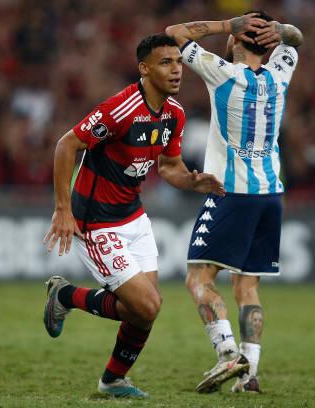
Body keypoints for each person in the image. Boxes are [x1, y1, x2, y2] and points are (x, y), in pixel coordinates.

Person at [42, 33, 225, 399]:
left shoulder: (174, 113)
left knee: (142, 311)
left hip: (133, 217)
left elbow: (169, 166)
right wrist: (63, 210)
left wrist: (191, 181)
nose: (176, 70)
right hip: (95, 221)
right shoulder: (120, 108)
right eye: (165, 63)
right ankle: (67, 297)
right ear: (144, 69)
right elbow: (68, 144)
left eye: (178, 62)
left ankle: (112, 380)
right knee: (148, 305)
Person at [166, 11, 303, 393]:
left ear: (237, 40)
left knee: (199, 278)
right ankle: (250, 375)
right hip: (271, 194)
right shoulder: (281, 72)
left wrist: (227, 24)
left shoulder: (222, 71)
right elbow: (295, 40)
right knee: (247, 287)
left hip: (230, 192)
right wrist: (282, 32)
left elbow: (174, 33)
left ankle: (227, 353)